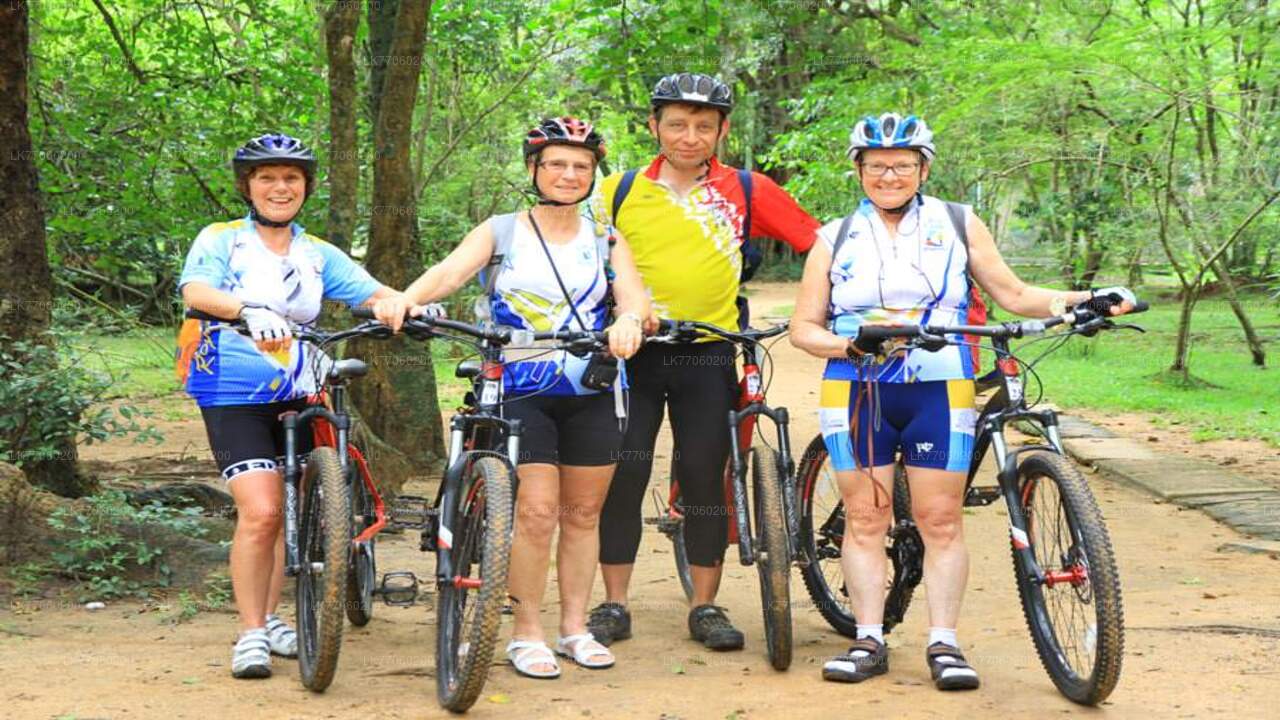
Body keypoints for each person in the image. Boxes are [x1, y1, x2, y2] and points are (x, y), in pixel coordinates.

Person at [788, 112, 1138, 689]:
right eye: (876, 166)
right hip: (856, 387)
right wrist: (850, 343)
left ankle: (944, 644)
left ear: (923, 169)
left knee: (941, 519)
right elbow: (804, 328)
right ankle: (868, 638)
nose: (889, 175)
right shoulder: (834, 237)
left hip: (942, 384)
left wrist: (1090, 299)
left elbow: (1015, 294)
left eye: (902, 165)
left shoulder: (958, 222)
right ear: (859, 170)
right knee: (866, 518)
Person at [371, 117, 649, 679]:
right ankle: (527, 631)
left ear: (593, 174)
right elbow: (448, 273)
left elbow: (636, 299)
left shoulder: (605, 238)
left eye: (581, 165)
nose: (568, 174)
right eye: (556, 164)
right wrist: (403, 300)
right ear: (534, 169)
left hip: (591, 387)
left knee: (583, 513)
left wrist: (633, 323)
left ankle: (575, 628)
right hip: (517, 389)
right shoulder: (501, 230)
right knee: (538, 512)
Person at [587, 73, 820, 651]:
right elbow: (586, 262)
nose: (689, 137)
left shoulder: (746, 188)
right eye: (676, 125)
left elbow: (819, 244)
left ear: (722, 130)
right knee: (624, 472)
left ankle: (706, 605)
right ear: (653, 127)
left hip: (709, 353)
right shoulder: (615, 190)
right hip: (632, 356)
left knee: (703, 476)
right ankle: (613, 602)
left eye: (702, 126)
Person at [176, 133, 407, 679]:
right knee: (260, 512)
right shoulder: (223, 239)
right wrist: (247, 308)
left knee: (287, 514)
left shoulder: (316, 252)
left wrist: (399, 303)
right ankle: (252, 631)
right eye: (267, 178)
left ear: (305, 188)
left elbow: (371, 293)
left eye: (291, 179)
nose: (280, 188)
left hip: (303, 395)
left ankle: (275, 616)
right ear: (247, 187)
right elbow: (195, 291)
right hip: (232, 393)